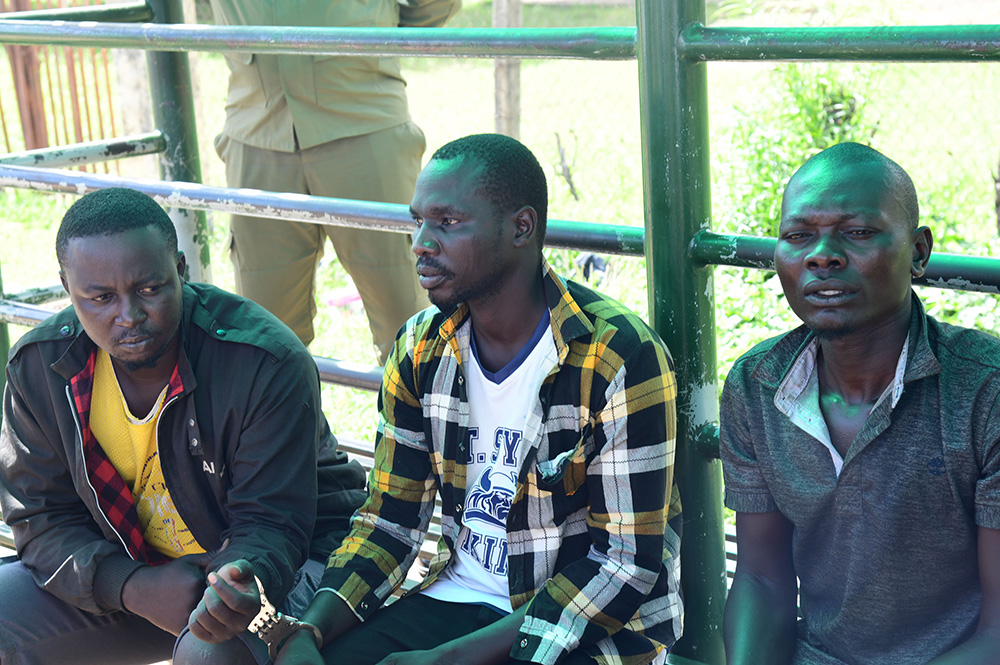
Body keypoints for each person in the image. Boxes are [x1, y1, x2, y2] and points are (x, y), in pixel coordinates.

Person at [272, 133, 684, 665]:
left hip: (587, 627)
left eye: (447, 223)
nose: (421, 241)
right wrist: (311, 631)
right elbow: (389, 522)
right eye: (418, 220)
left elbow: (623, 566)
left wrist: (444, 662)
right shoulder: (420, 349)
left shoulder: (617, 357)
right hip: (456, 599)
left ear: (521, 227)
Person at [0, 188, 366, 664]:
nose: (129, 316)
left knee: (207, 654)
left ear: (181, 268)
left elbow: (273, 525)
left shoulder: (262, 361)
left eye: (150, 289)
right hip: (143, 579)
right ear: (67, 287)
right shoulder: (41, 369)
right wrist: (131, 586)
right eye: (101, 297)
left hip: (278, 568)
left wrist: (234, 586)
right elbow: (41, 518)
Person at [720, 143, 1000, 664]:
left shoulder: (986, 392)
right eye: (798, 236)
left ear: (918, 252)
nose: (821, 256)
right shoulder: (757, 385)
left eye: (859, 233)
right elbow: (761, 577)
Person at [208, 0, 461, 364]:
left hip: (363, 122)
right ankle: (286, 422)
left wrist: (372, 42)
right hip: (257, 131)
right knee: (263, 336)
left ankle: (419, 419)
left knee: (408, 320)